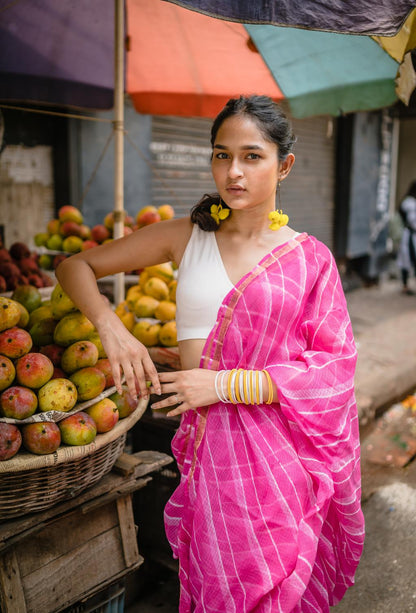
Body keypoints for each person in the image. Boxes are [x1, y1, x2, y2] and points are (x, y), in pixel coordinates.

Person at [56, 95, 364, 612]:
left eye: (251, 156)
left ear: (284, 165)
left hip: (277, 457)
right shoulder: (186, 237)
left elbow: (333, 370)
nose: (233, 171)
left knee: (270, 588)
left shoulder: (309, 259)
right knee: (220, 584)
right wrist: (111, 327)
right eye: (221, 155)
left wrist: (222, 384)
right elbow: (73, 267)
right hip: (208, 454)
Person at [397, 180, 416, 294]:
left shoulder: (407, 201)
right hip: (410, 236)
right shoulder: (410, 203)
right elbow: (413, 221)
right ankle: (405, 286)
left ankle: (405, 285)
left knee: (406, 261)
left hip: (409, 235)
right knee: (408, 260)